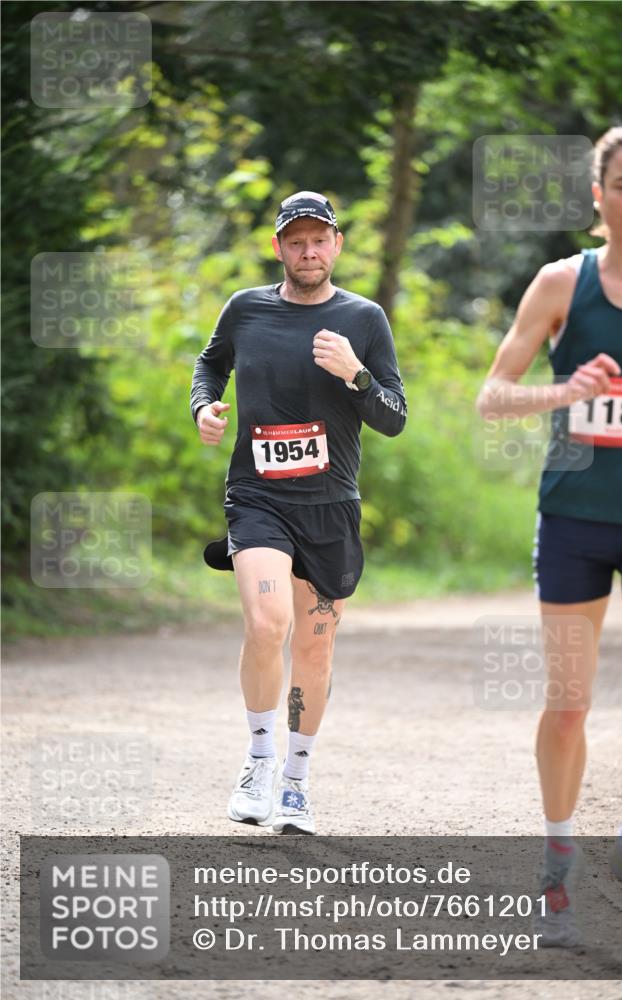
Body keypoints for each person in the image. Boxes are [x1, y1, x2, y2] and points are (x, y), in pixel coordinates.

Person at [477, 123, 622, 941]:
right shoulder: (561, 283)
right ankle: (557, 866)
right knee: (567, 706)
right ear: (597, 195)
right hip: (573, 520)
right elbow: (492, 395)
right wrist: (564, 394)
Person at [190, 191, 407, 834]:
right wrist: (204, 407)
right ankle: (258, 761)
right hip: (257, 497)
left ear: (336, 246)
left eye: (319, 240)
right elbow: (210, 364)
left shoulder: (363, 320)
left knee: (315, 648)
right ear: (278, 246)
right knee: (267, 624)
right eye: (296, 240)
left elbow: (393, 418)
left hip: (331, 505)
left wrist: (355, 374)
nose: (308, 251)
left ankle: (295, 781)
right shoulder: (246, 309)